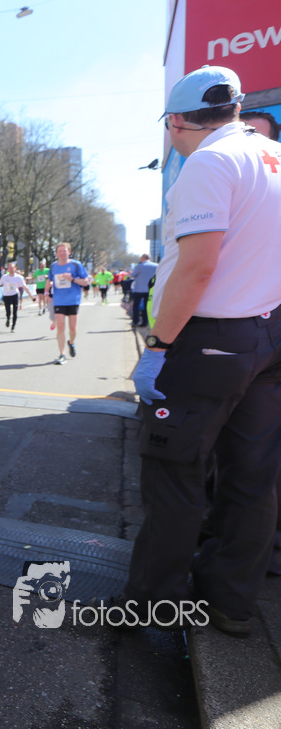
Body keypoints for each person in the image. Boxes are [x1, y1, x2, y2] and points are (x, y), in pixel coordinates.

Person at [124, 66, 281, 636]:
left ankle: (153, 602)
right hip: (268, 334)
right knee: (253, 478)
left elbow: (197, 268)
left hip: (208, 341)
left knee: (175, 473)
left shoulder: (210, 163)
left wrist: (158, 346)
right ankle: (231, 601)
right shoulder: (273, 155)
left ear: (175, 122)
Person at [48, 242, 90, 364]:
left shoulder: (76, 265)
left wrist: (72, 279)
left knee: (73, 329)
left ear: (69, 252)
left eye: (64, 250)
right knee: (60, 327)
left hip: (73, 300)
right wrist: (46, 292)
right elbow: (49, 280)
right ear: (56, 253)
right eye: (59, 251)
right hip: (59, 300)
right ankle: (62, 354)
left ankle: (71, 343)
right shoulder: (53, 266)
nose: (62, 253)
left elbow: (86, 282)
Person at [0, 262, 32, 332]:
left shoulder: (19, 277)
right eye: (10, 268)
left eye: (12, 268)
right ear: (8, 269)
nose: (11, 269)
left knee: (15, 311)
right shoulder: (4, 277)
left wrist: (32, 296)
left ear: (15, 269)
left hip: (14, 295)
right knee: (8, 311)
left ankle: (13, 326)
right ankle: (8, 319)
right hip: (6, 295)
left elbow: (25, 287)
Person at [128, 253, 157, 327]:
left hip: (139, 289)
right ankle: (145, 322)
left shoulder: (140, 266)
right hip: (150, 289)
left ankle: (136, 321)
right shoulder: (156, 265)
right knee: (147, 306)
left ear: (143, 258)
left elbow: (132, 275)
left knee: (136, 306)